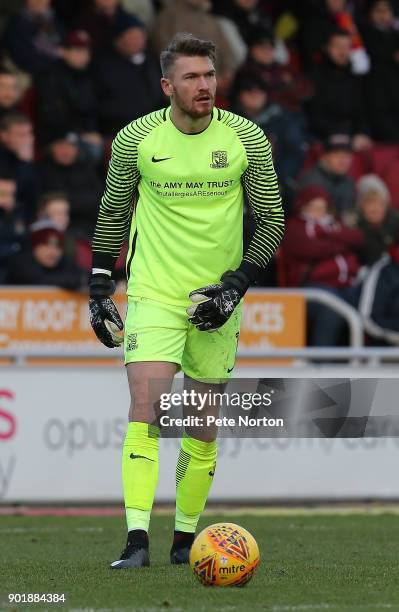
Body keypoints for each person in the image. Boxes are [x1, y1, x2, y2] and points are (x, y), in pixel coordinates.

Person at [89, 32, 284, 568]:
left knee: (200, 422)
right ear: (167, 85)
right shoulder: (137, 139)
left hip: (216, 297)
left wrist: (234, 287)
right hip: (153, 291)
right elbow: (112, 215)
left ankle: (183, 538)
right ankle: (135, 541)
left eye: (210, 75)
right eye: (193, 77)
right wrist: (100, 288)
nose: (205, 86)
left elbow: (270, 223)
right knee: (146, 407)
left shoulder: (248, 138)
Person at [281, 185, 363, 345]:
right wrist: (341, 242)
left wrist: (327, 234)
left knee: (371, 305)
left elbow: (358, 238)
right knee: (331, 310)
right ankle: (322, 361)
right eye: (313, 207)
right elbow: (310, 249)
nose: (318, 212)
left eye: (322, 207)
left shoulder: (332, 225)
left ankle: (370, 359)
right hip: (313, 286)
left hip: (347, 284)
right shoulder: (295, 226)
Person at [93, 14, 162, 136]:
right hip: (119, 128)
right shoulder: (105, 65)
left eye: (140, 36)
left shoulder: (151, 62)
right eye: (132, 36)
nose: (138, 41)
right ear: (119, 39)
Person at [34, 30, 101, 156]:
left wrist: (92, 131)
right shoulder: (50, 77)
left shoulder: (86, 76)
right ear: (64, 52)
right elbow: (51, 116)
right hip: (57, 137)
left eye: (86, 52)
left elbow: (91, 110)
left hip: (81, 134)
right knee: (93, 151)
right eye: (78, 51)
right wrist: (77, 135)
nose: (84, 56)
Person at [307, 29, 371, 148]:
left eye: (347, 47)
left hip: (351, 136)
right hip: (324, 137)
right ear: (326, 48)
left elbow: (361, 113)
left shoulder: (355, 78)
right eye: (337, 46)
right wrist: (343, 135)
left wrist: (363, 133)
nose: (343, 51)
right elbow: (314, 117)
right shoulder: (314, 78)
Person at [39, 131, 103, 236]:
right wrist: (90, 201)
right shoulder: (45, 170)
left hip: (94, 221)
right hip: (67, 226)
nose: (65, 151)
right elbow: (61, 201)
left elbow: (101, 196)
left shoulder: (86, 167)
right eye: (60, 146)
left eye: (70, 146)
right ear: (51, 148)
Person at [7, 218, 86, 288]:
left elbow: (80, 274)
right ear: (34, 247)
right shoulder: (20, 263)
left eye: (58, 247)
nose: (53, 252)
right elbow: (39, 279)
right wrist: (80, 280)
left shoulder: (64, 262)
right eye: (46, 246)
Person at [298, 133, 355, 219]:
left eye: (347, 155)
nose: (343, 160)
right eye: (337, 154)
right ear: (325, 156)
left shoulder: (349, 182)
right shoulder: (311, 181)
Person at [356, 174, 399, 266]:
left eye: (380, 203)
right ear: (361, 206)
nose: (376, 208)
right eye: (370, 202)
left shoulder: (394, 224)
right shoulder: (354, 230)